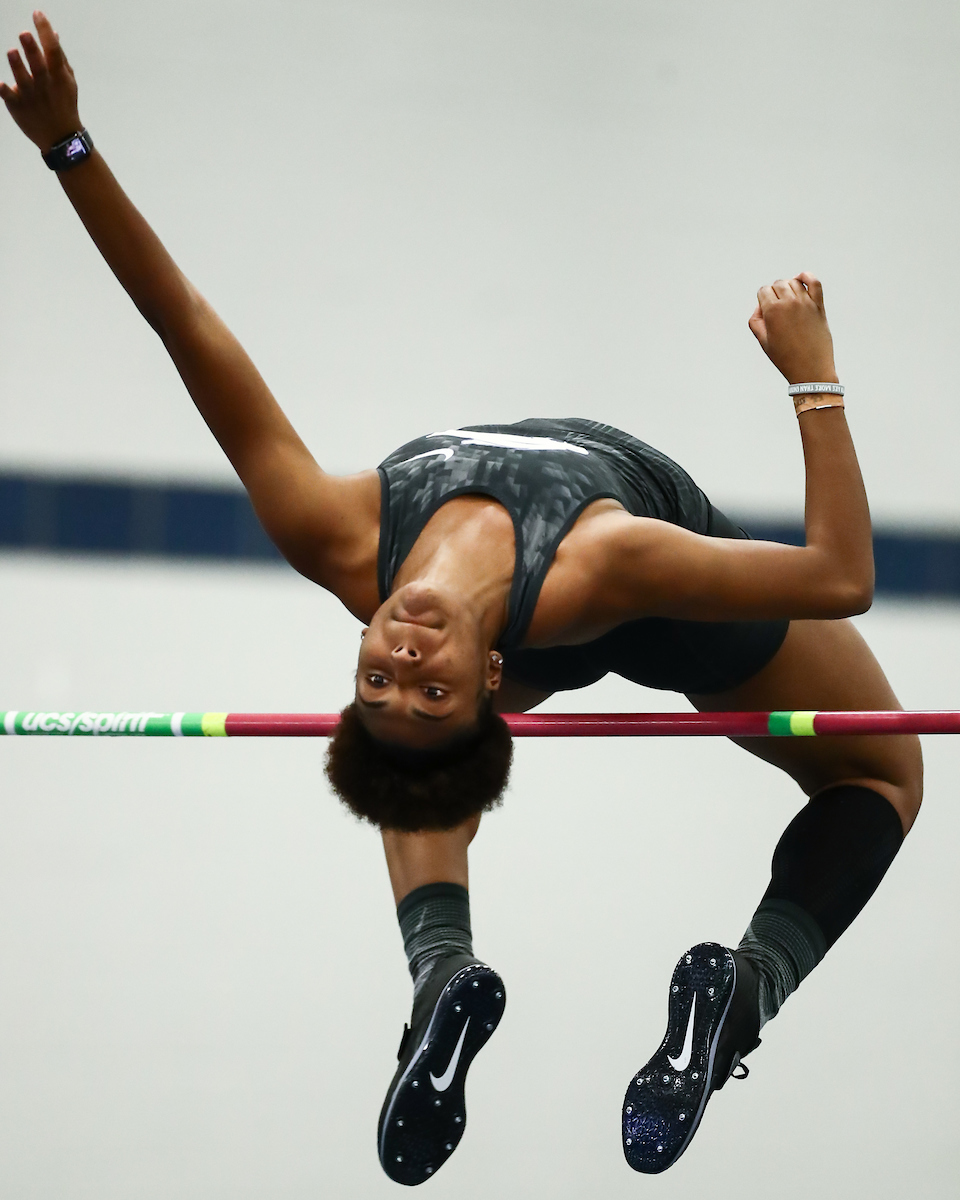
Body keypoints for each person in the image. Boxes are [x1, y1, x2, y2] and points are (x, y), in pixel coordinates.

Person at [3, 12, 922, 1185]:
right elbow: (843, 576)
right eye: (423, 680)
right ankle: (741, 996)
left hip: (555, 611)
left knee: (413, 758)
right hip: (643, 571)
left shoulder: (338, 541)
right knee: (885, 770)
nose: (399, 649)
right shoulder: (607, 563)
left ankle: (445, 976)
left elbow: (182, 325)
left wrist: (67, 148)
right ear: (492, 686)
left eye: (375, 673)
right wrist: (814, 374)